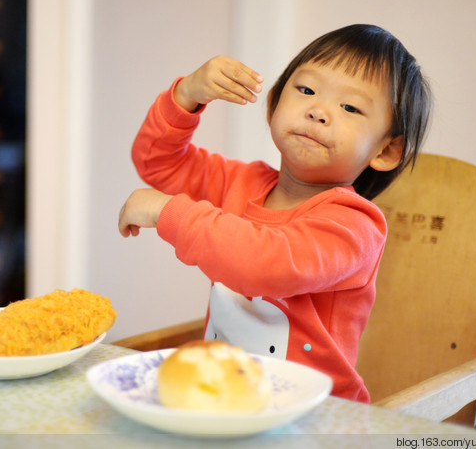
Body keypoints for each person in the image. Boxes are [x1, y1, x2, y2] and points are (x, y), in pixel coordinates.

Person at [118, 24, 432, 402]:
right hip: (228, 399)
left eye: (350, 107)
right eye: (306, 90)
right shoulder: (241, 182)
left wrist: (168, 212)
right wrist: (186, 95)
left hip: (317, 419)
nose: (318, 111)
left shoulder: (354, 224)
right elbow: (159, 164)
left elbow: (266, 263)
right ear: (273, 105)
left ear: (385, 151)